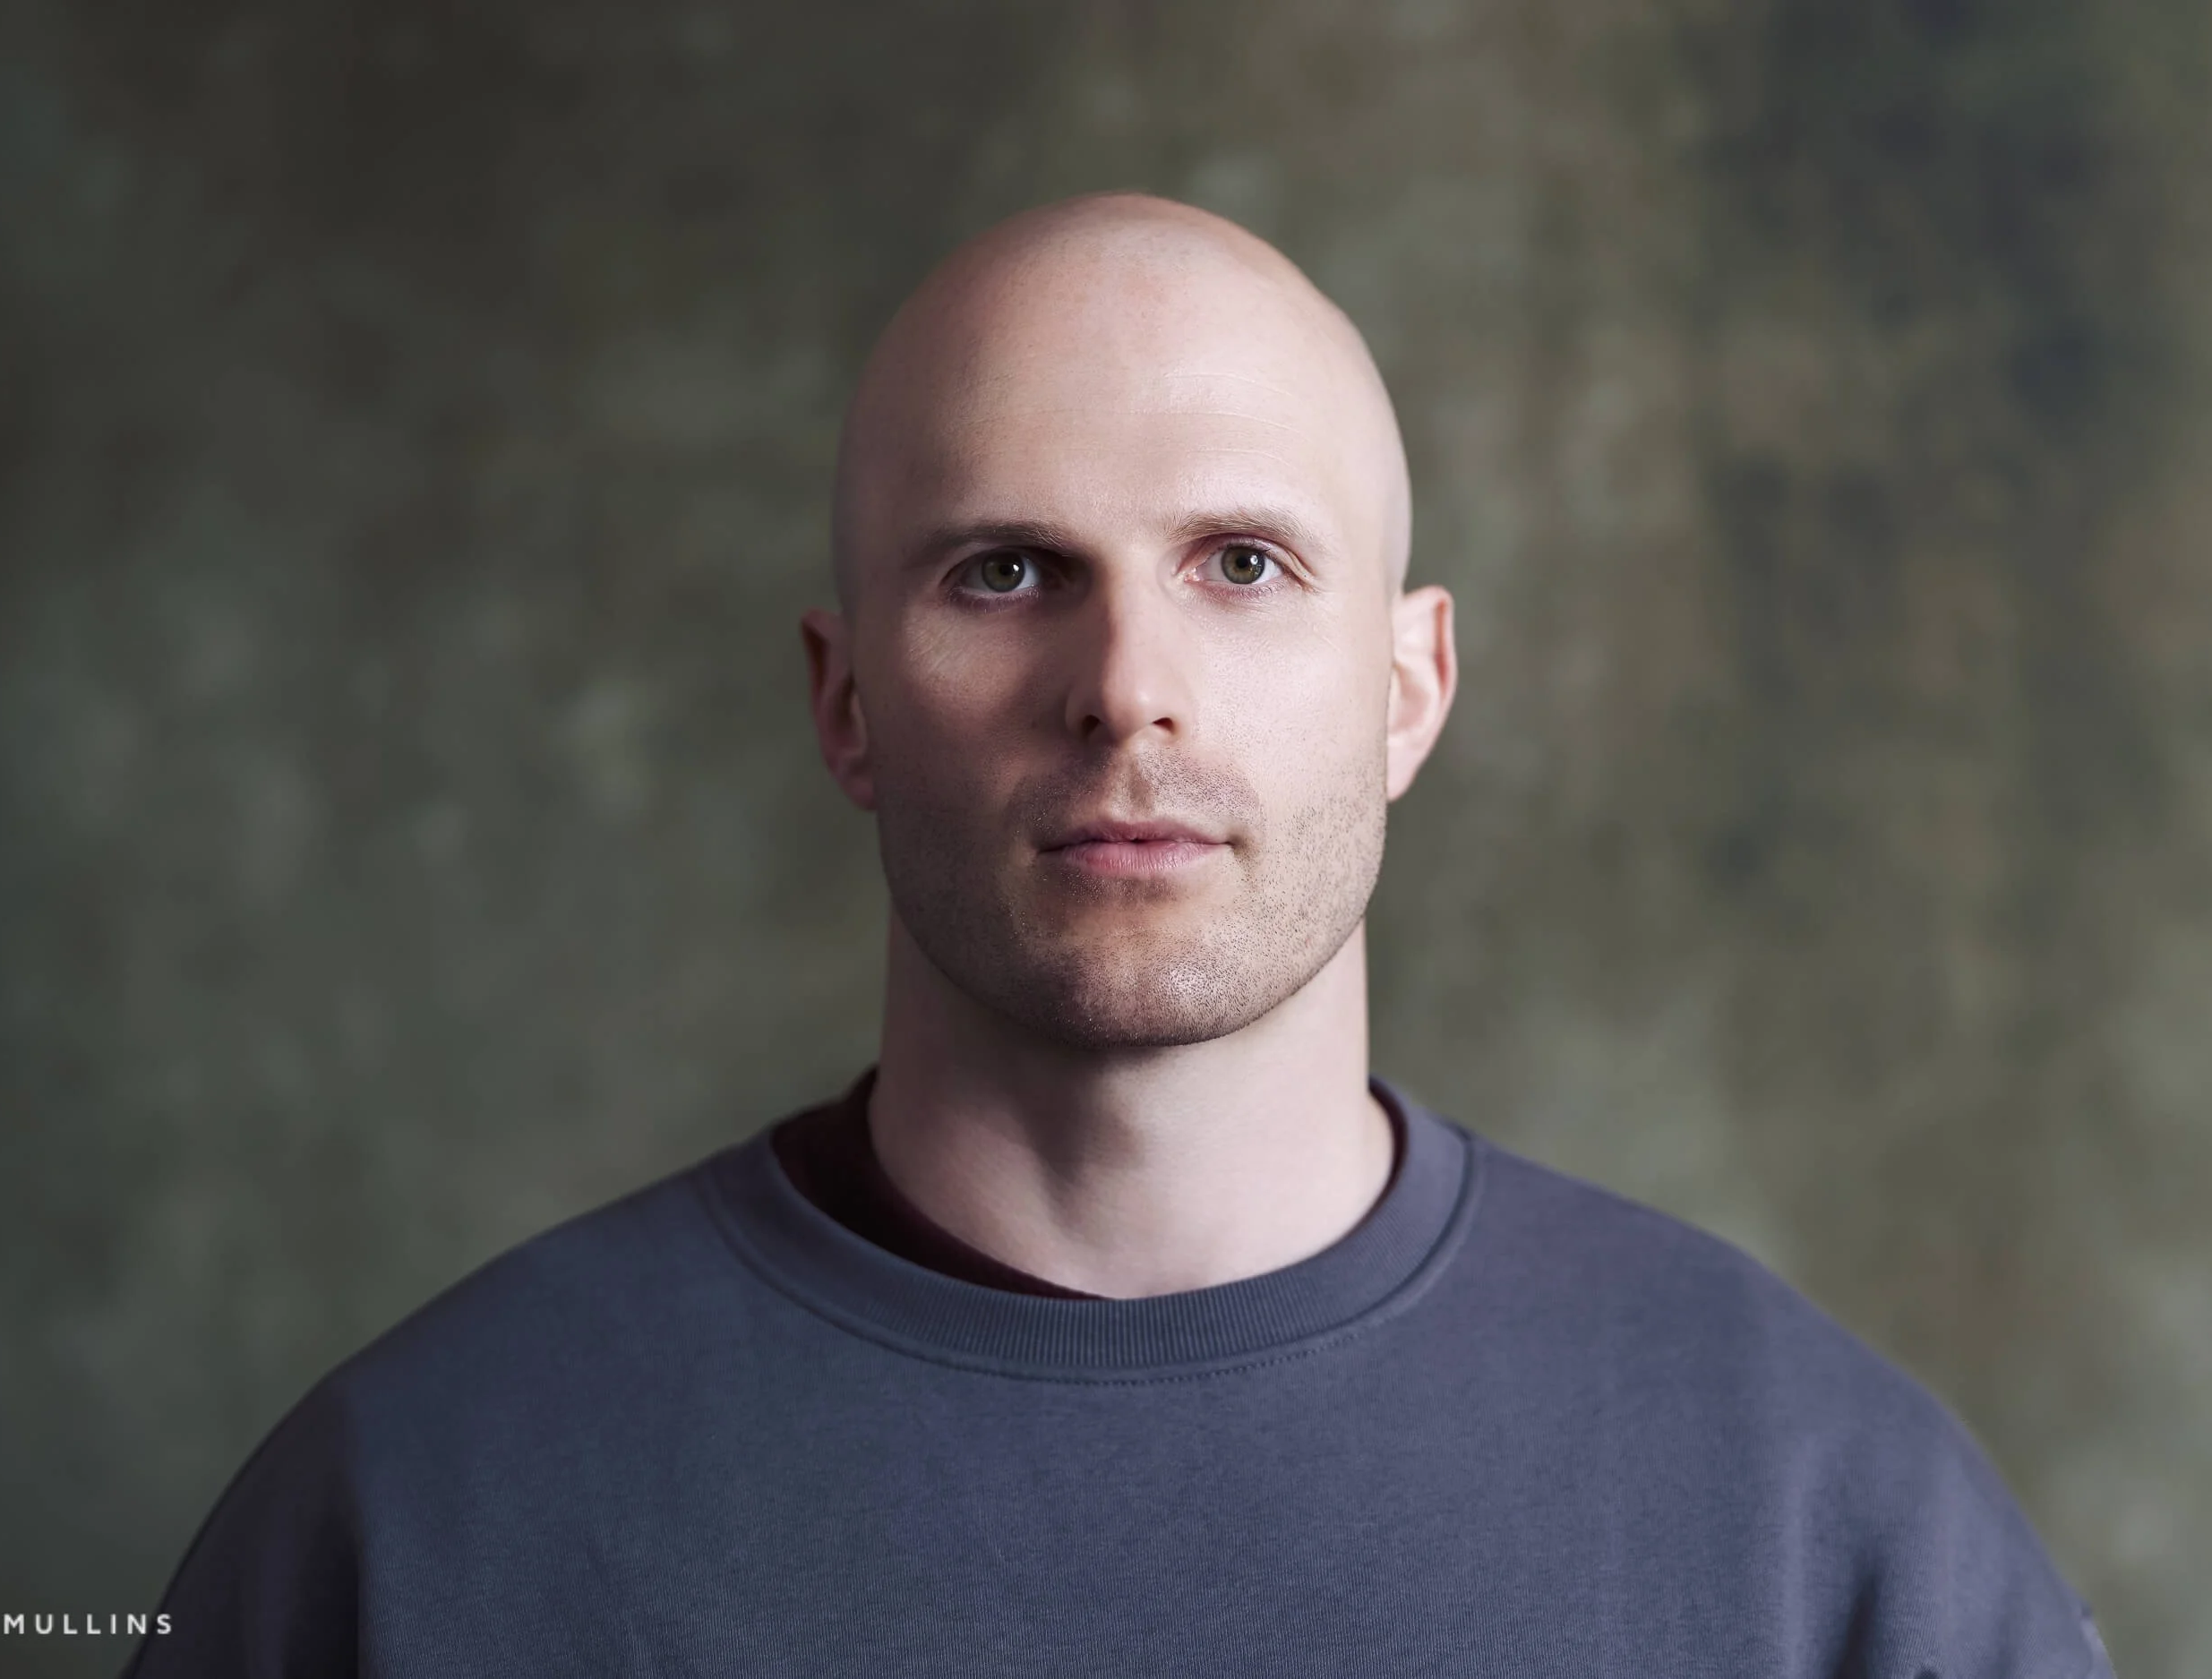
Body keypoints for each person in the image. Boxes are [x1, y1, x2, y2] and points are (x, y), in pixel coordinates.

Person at [125, 192, 2114, 1677]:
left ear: (1410, 686)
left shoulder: (1822, 1536)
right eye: (1004, 573)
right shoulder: (410, 1532)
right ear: (842, 703)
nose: (1124, 688)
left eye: (1240, 565)